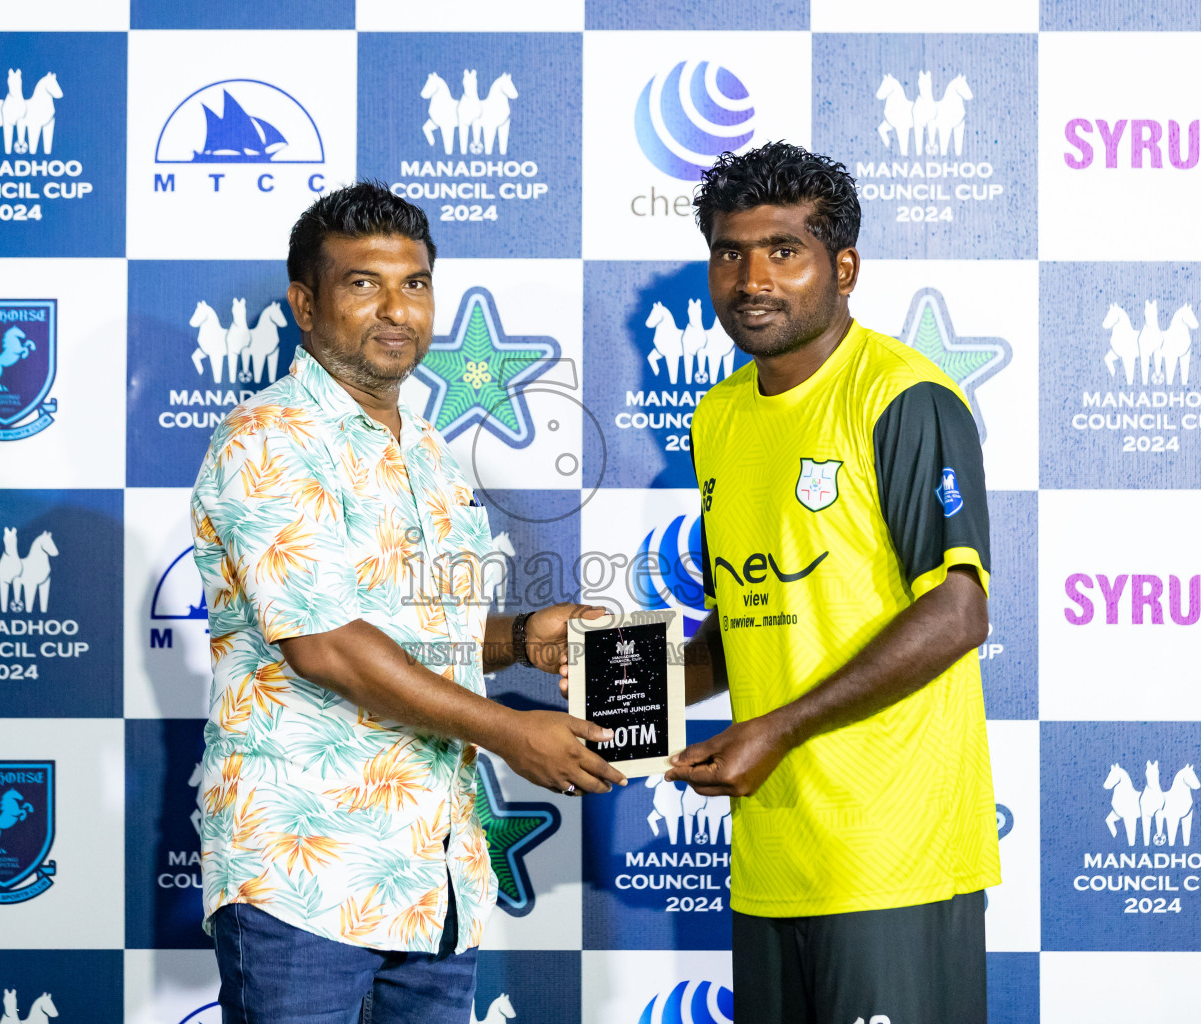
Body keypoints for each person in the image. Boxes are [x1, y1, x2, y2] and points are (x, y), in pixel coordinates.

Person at [190, 181, 625, 1024]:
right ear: (305, 304)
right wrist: (509, 731)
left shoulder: (425, 447)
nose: (397, 308)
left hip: (434, 878)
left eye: (415, 283)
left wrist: (524, 636)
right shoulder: (267, 437)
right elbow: (327, 646)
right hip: (305, 877)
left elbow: (423, 634)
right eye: (364, 284)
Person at [665, 142, 1001, 1022]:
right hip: (773, 853)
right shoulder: (720, 415)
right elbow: (748, 618)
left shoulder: (902, 397)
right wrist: (619, 690)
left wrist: (776, 728)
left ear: (843, 266)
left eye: (783, 250)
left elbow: (959, 612)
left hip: (890, 850)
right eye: (730, 253)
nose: (751, 279)